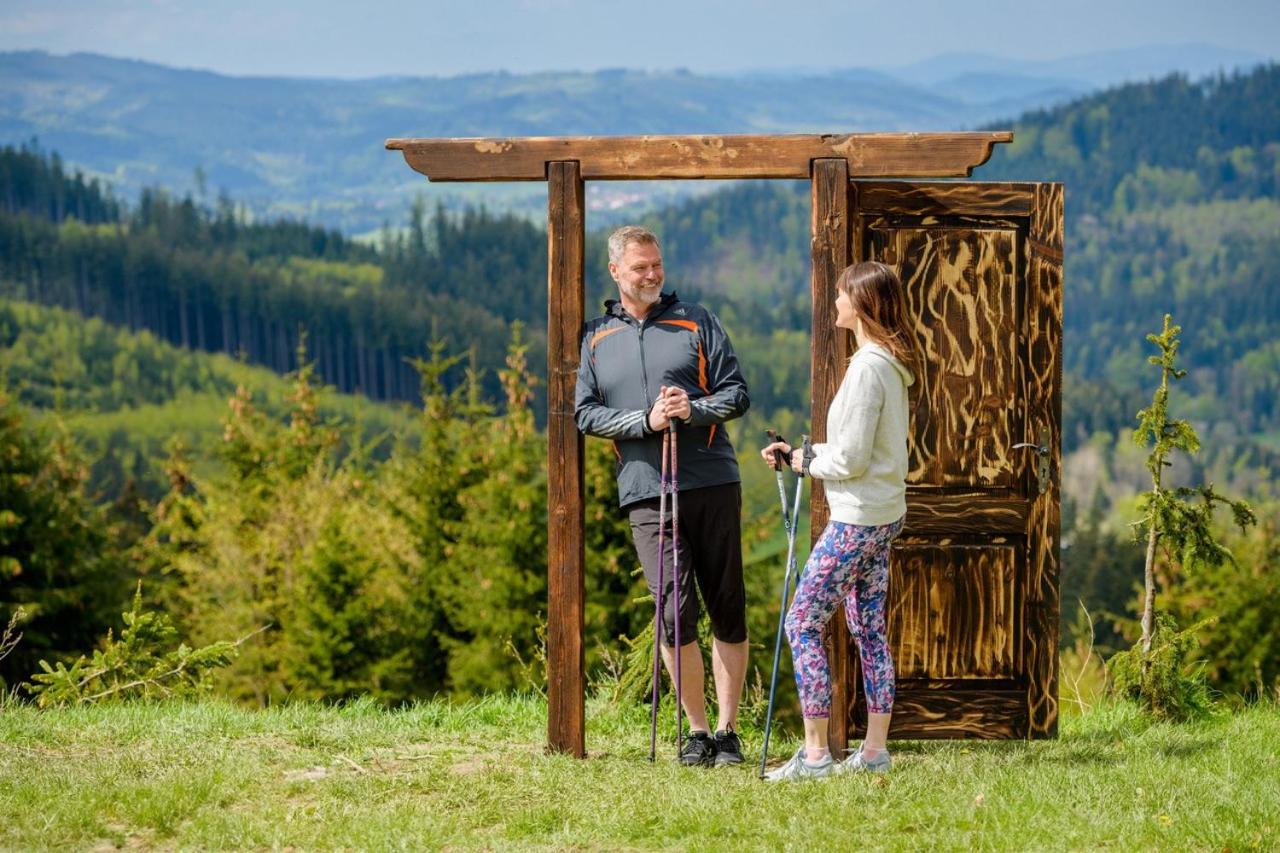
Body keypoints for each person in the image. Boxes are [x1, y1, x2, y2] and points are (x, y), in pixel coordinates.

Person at [575, 225, 751, 767]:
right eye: (640, 267)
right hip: (645, 489)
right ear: (615, 272)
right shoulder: (595, 336)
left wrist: (692, 410)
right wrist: (644, 422)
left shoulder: (697, 320)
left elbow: (737, 394)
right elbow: (585, 414)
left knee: (726, 604)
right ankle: (696, 731)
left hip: (711, 480)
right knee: (674, 610)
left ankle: (727, 731)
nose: (652, 275)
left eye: (657, 264)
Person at [759, 260, 918, 781]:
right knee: (868, 629)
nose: (835, 302)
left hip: (856, 519)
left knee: (802, 623)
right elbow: (858, 450)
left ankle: (815, 756)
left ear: (863, 304)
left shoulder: (868, 368)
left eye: (842, 294)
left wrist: (805, 462)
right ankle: (874, 752)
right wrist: (802, 455)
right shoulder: (888, 363)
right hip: (883, 514)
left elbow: (849, 459)